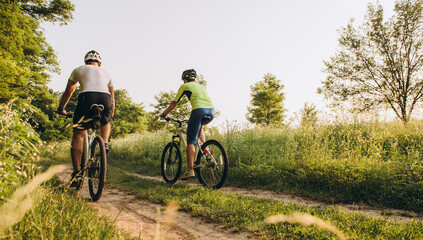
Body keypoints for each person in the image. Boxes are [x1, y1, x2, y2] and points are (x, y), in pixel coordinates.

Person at [57, 50, 114, 187]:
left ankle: (77, 173)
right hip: (105, 99)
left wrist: (61, 108)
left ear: (85, 62)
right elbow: (112, 97)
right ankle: (105, 143)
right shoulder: (107, 72)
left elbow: (69, 91)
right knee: (105, 122)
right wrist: (110, 114)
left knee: (78, 135)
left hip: (87, 97)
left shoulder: (78, 70)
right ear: (99, 63)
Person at [160, 69, 215, 180]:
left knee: (190, 141)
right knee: (200, 129)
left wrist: (164, 113)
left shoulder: (184, 86)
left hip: (198, 110)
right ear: (195, 79)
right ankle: (206, 151)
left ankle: (190, 171)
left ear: (184, 79)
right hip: (211, 111)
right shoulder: (201, 87)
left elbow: (174, 102)